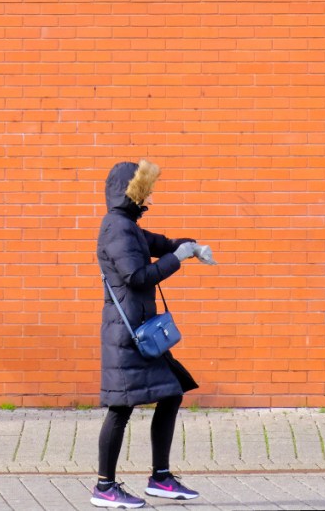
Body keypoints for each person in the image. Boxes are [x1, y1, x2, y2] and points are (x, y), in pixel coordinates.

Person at [90, 160, 215, 509]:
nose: (148, 197)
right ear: (129, 191)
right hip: (126, 334)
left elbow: (163, 243)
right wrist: (178, 258)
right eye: (143, 191)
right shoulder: (116, 228)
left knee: (171, 393)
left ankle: (160, 478)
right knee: (120, 408)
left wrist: (190, 247)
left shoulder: (127, 226)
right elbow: (138, 277)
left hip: (140, 331)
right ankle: (104, 487)